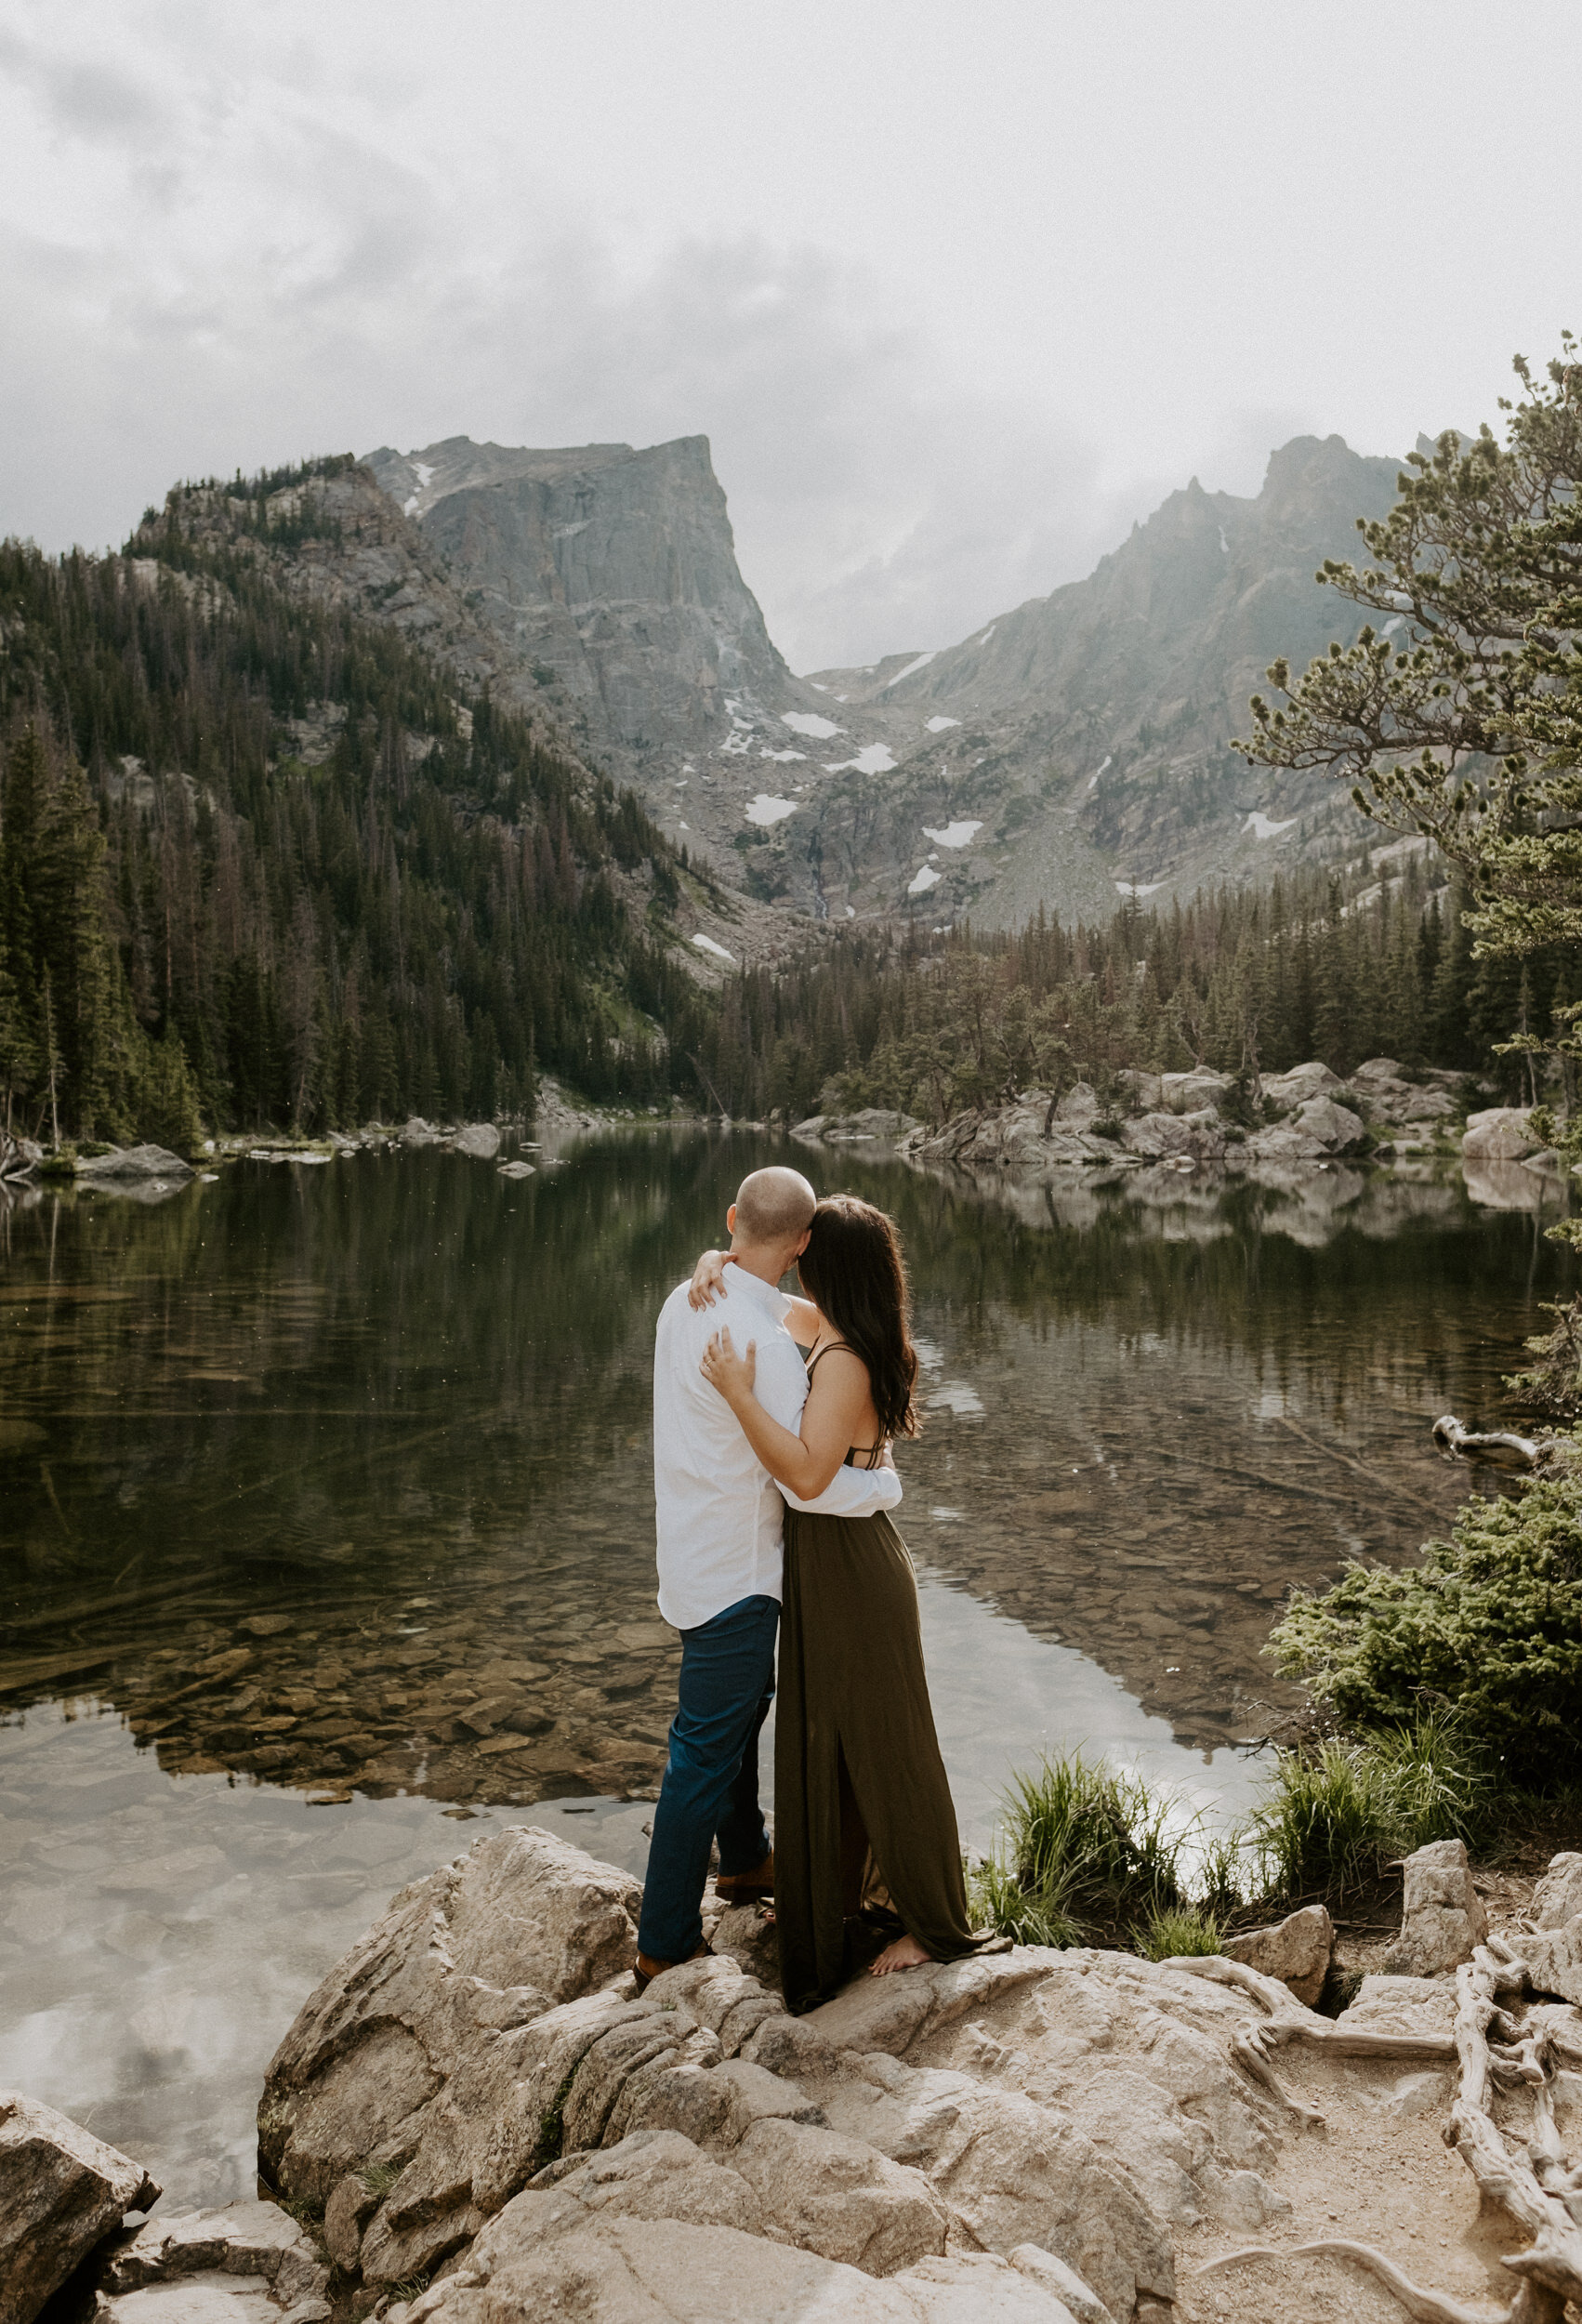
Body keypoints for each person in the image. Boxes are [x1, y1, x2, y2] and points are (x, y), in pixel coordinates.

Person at [692, 1193, 985, 2015]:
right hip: (826, 1568)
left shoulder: (850, 1353)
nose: (795, 1253)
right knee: (831, 1738)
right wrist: (715, 1262)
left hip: (854, 1570)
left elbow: (810, 1476)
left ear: (829, 1260)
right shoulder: (824, 1326)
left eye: (806, 1246)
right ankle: (845, 1901)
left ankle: (933, 1922)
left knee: (888, 1744)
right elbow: (766, 1292)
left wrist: (736, 1392)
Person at [638, 1167, 901, 1991]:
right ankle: (664, 1943)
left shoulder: (682, 1303)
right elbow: (804, 1481)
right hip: (741, 1574)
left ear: (730, 1222)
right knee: (703, 1752)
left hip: (685, 1556)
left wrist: (716, 1261)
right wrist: (884, 1485)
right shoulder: (768, 1352)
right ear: (801, 1247)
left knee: (735, 1719)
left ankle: (748, 1860)